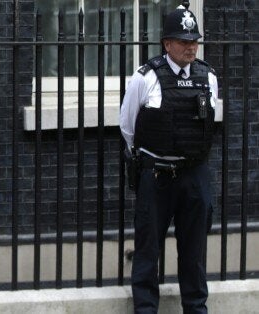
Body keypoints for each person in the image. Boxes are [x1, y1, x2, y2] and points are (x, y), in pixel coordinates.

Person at [119, 3, 219, 313]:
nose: (191, 47)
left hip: (194, 175)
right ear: (167, 43)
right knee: (148, 251)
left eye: (194, 41)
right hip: (157, 175)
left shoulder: (208, 76)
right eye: (184, 41)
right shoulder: (145, 77)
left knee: (194, 253)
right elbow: (127, 126)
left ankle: (196, 308)